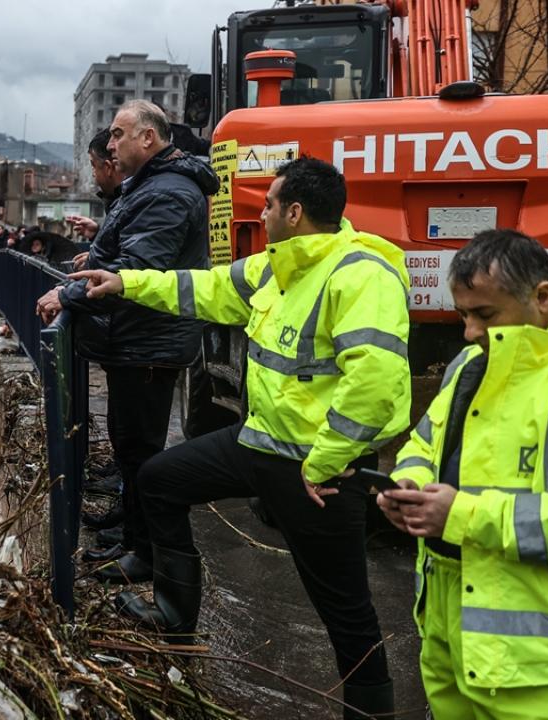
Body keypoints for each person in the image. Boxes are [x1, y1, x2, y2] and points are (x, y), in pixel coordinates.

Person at [68, 156, 410, 719]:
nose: (262, 211)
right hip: (258, 445)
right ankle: (174, 614)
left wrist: (325, 461)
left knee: (347, 612)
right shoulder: (278, 266)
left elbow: (377, 384)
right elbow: (204, 289)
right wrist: (124, 281)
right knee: (158, 480)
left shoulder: (359, 274)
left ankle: (371, 713)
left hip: (314, 472)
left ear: (294, 213)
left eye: (269, 204)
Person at [378, 230, 548, 720]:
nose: (469, 332)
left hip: (539, 668)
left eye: (485, 315)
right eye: (463, 315)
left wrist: (458, 515)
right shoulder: (469, 365)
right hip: (449, 635)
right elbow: (423, 445)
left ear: (542, 298)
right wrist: (406, 485)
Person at [36, 100, 218, 583]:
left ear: (148, 139)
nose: (110, 145)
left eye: (118, 135)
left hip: (148, 343)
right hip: (140, 341)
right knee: (131, 448)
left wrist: (67, 293)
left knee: (140, 452)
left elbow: (134, 272)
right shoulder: (154, 186)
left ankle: (146, 555)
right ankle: (136, 544)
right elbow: (125, 253)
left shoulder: (167, 193)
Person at [67, 129, 125, 271]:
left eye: (93, 165)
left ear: (108, 167)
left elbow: (136, 266)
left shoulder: (137, 201)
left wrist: (94, 261)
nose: (93, 174)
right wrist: (98, 234)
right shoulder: (120, 201)